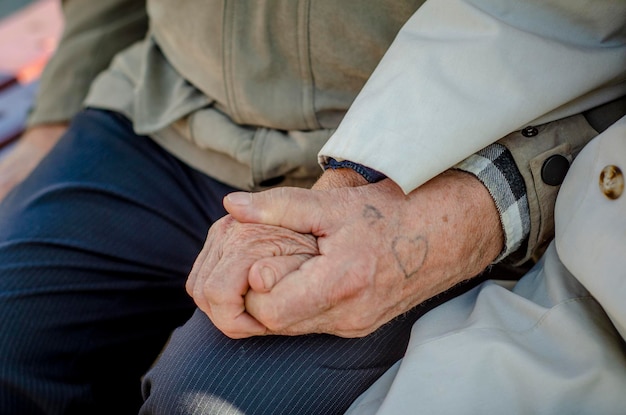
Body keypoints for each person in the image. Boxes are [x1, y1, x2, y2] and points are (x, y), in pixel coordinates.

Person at [0, 1, 623, 415]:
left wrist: (472, 210)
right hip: (161, 110)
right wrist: (56, 113)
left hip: (428, 161)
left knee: (208, 405)